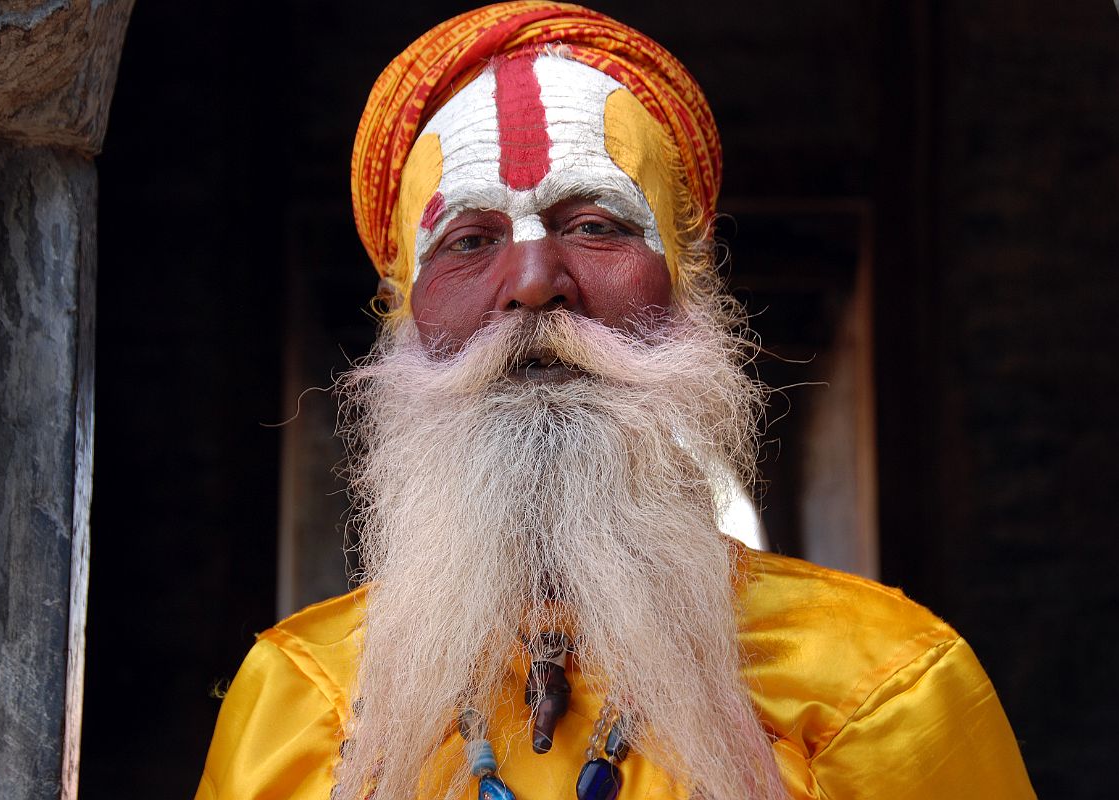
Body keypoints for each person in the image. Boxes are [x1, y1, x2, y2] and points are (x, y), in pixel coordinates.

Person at [194, 3, 1036, 799]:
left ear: (688, 280)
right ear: (401, 309)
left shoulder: (880, 684)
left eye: (595, 225)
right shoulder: (297, 703)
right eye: (469, 241)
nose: (531, 285)